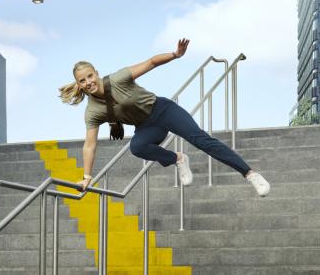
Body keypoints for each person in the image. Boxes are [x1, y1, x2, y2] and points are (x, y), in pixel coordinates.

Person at [58, 38, 271, 197]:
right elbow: (89, 145)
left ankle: (250, 174)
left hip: (163, 110)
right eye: (82, 81)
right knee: (137, 147)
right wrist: (87, 177)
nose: (88, 82)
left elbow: (150, 62)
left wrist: (175, 54)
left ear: (96, 72)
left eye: (90, 76)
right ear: (79, 84)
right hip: (146, 127)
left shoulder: (118, 79)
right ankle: (178, 159)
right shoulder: (92, 111)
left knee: (200, 139)